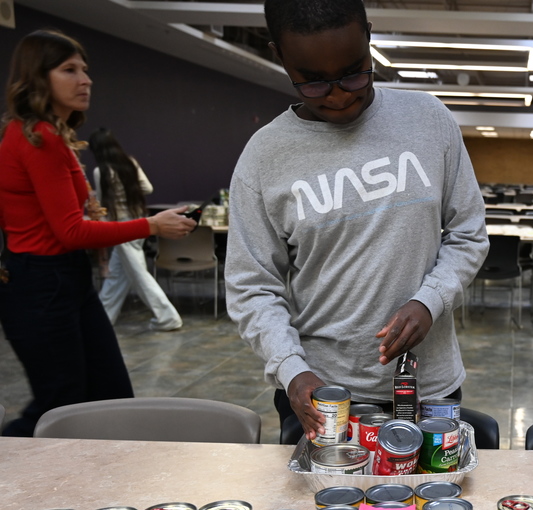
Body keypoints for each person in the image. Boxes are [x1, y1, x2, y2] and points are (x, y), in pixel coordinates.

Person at [225, 0, 488, 442]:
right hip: (321, 392)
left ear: (368, 35)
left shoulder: (429, 120)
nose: (340, 94)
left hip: (426, 386)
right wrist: (292, 371)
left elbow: (468, 235)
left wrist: (431, 300)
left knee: (424, 508)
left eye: (354, 71)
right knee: (329, 508)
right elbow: (252, 286)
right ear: (280, 57)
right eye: (313, 82)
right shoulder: (263, 157)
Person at [0, 30, 195, 437]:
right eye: (69, 70)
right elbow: (69, 231)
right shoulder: (39, 138)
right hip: (43, 282)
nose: (85, 79)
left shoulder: (48, 136)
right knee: (61, 406)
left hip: (61, 278)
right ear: (39, 77)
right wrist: (153, 225)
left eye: (85, 69)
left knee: (107, 394)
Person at [89, 128, 183, 332]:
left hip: (120, 227)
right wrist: (129, 190)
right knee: (117, 275)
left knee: (139, 275)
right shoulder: (130, 163)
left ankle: (168, 318)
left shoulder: (101, 171)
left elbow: (102, 202)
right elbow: (148, 188)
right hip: (139, 222)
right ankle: (103, 320)